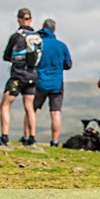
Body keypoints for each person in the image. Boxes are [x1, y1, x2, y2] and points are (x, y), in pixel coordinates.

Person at [0, 8, 39, 146]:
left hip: (18, 76)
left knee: (5, 104)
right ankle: (32, 137)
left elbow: (6, 55)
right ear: (31, 19)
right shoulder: (37, 37)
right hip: (32, 75)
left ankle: (4, 136)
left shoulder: (16, 36)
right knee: (29, 107)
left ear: (18, 19)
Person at [34, 19, 72, 147]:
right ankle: (55, 141)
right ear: (54, 30)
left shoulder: (39, 44)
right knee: (55, 113)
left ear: (43, 27)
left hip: (40, 82)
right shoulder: (61, 46)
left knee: (31, 110)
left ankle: (29, 136)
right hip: (56, 84)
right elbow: (68, 64)